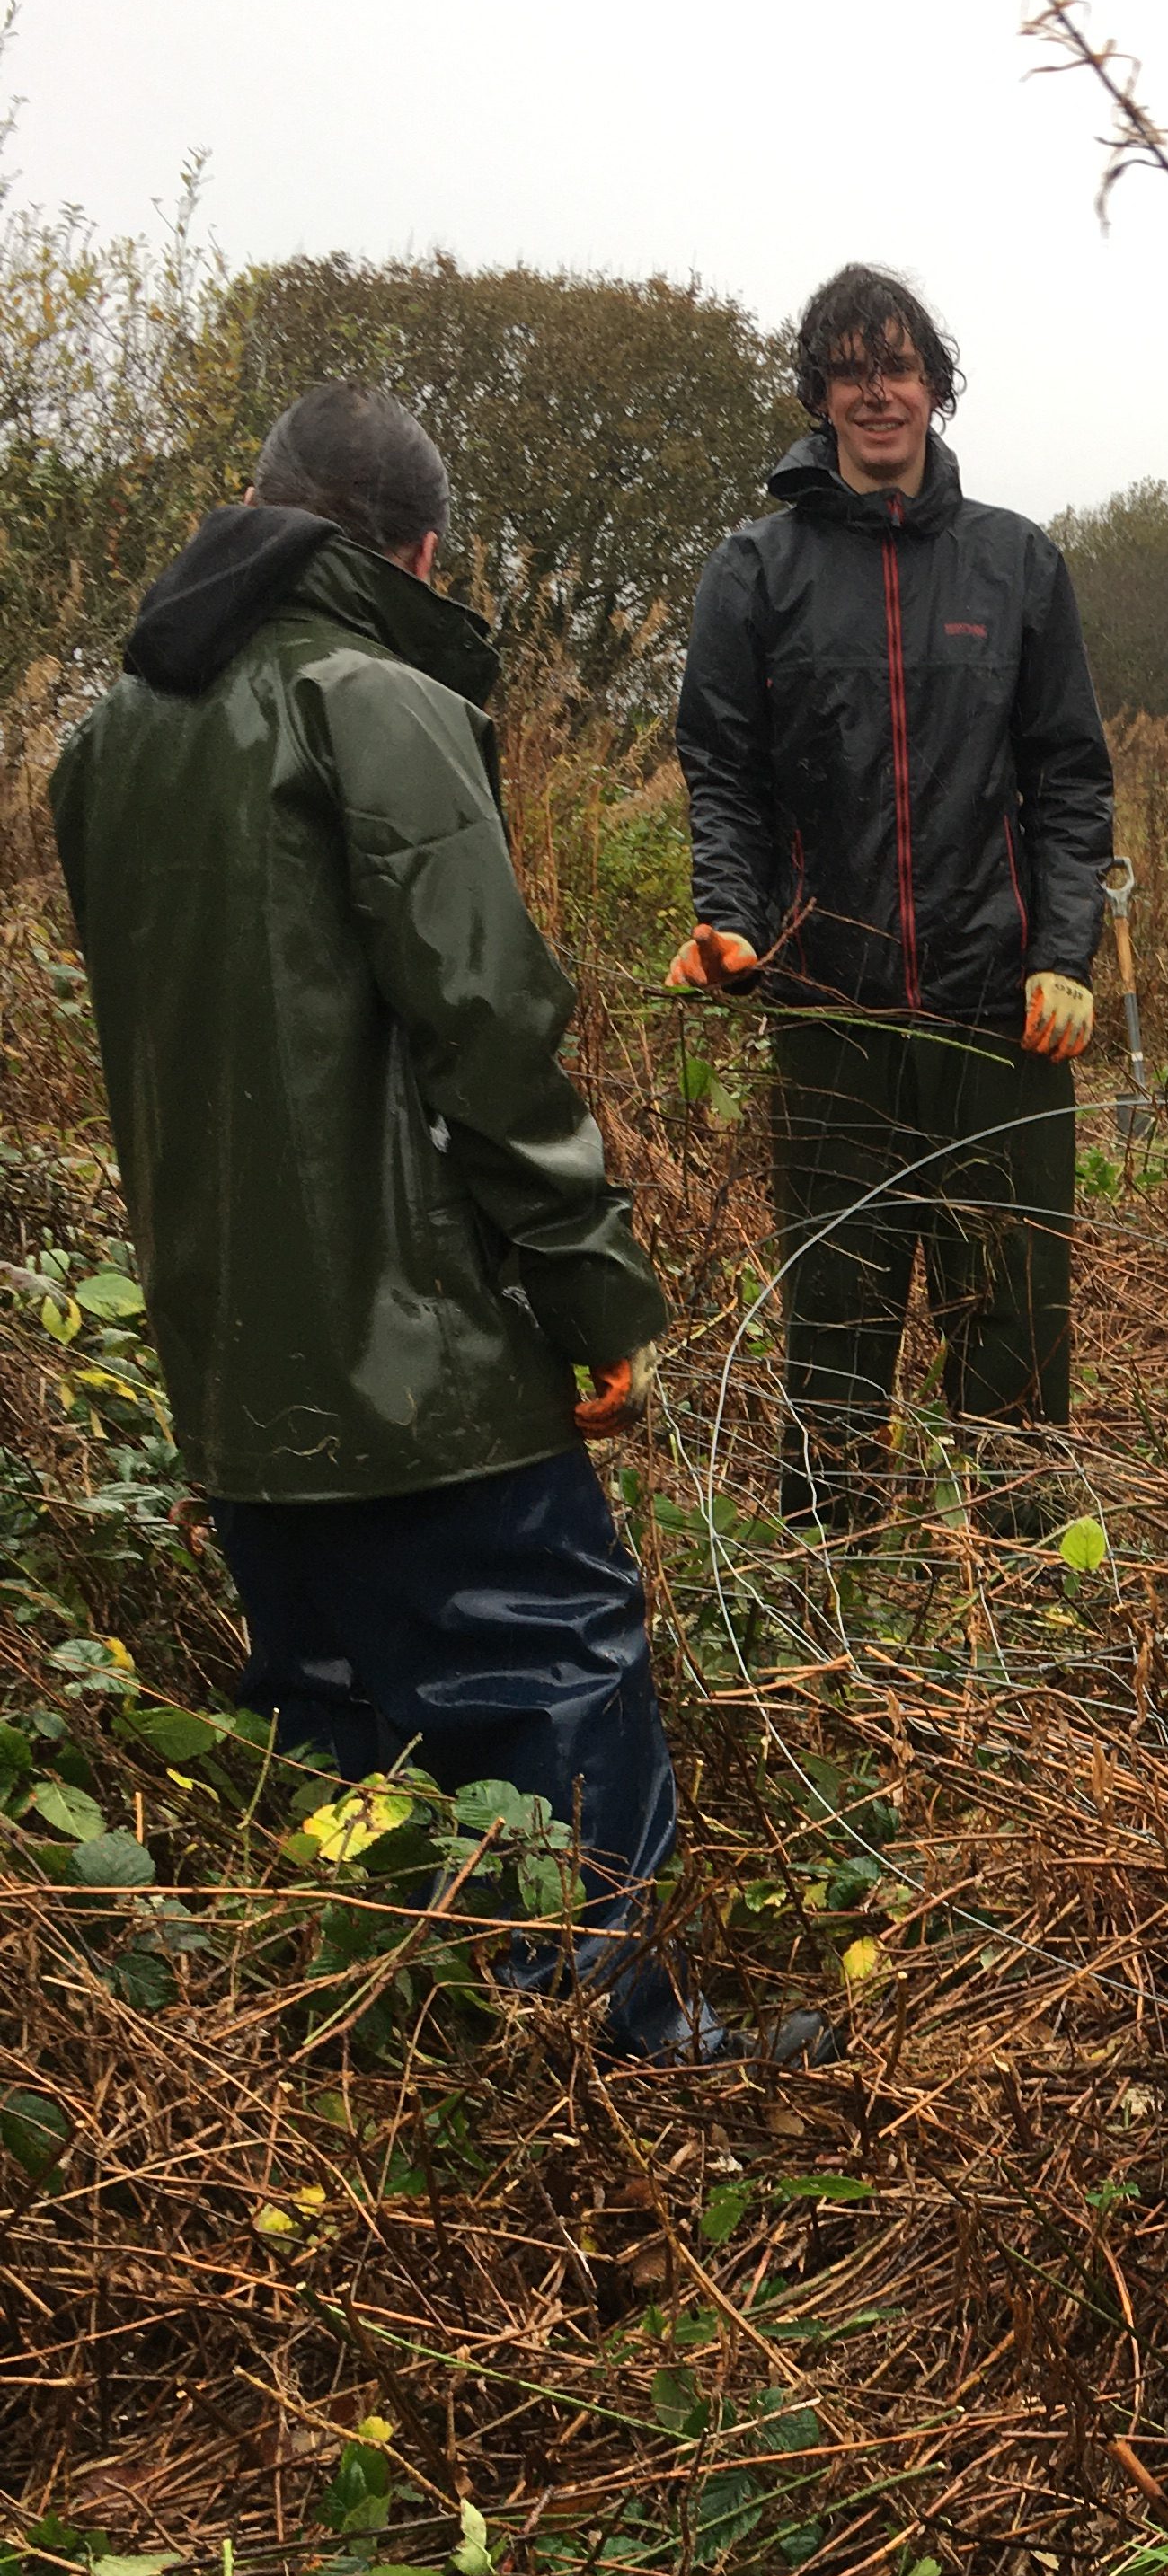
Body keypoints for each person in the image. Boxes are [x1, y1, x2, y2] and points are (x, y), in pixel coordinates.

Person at [48, 381, 770, 2064]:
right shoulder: (373, 697)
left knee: (341, 1718)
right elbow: (491, 1042)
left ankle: (395, 2029)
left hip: (231, 1361)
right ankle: (606, 2053)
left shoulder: (108, 741)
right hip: (418, 1354)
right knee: (553, 1660)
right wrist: (595, 1309)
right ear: (420, 548)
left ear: (265, 507)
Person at [671, 261, 1115, 1524]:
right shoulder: (754, 571)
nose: (880, 393)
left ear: (936, 387)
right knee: (837, 1322)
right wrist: (731, 917)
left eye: (902, 366)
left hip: (1000, 1014)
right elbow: (724, 772)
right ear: (818, 392)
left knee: (1016, 1327)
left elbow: (1072, 779)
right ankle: (832, 1596)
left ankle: (1024, 1599)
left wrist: (1066, 955)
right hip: (830, 1015)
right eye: (853, 370)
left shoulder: (1019, 566)